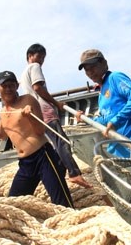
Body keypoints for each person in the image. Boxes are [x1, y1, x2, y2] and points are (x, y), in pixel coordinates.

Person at [0, 70, 75, 207]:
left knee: (62, 202)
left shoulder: (27, 100)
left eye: (12, 85)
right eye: (5, 86)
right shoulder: (3, 112)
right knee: (13, 204)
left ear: (17, 86)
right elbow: (1, 135)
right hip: (25, 164)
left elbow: (40, 130)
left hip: (43, 156)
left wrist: (29, 116)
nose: (9, 89)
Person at [20, 43, 91, 188]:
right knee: (61, 142)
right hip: (45, 111)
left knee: (54, 145)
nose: (41, 61)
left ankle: (59, 174)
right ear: (30, 56)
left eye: (43, 58)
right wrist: (56, 103)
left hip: (36, 113)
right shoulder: (34, 67)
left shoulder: (23, 74)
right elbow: (38, 88)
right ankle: (74, 173)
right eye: (39, 56)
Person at [76, 49, 131, 162]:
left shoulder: (115, 78)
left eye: (93, 67)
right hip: (120, 152)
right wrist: (87, 119)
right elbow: (106, 119)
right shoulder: (101, 93)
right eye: (87, 70)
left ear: (104, 63)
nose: (90, 72)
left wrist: (115, 121)